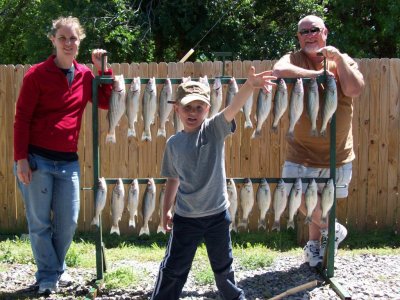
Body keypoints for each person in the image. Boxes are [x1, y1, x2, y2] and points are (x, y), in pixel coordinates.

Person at [151, 68, 276, 300]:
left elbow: (234, 107)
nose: (193, 112)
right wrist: (166, 209)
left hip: (218, 216)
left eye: (199, 107)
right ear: (176, 109)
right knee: (174, 269)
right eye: (187, 107)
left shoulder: (214, 129)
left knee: (223, 269)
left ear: (207, 109)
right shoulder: (173, 144)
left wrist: (249, 86)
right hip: (186, 219)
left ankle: (235, 298)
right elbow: (172, 179)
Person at [13, 16, 113, 295]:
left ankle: (54, 270)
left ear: (79, 42)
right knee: (40, 222)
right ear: (53, 41)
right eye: (63, 38)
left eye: (73, 39)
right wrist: (21, 158)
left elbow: (105, 101)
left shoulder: (84, 75)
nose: (68, 43)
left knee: (68, 222)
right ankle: (49, 275)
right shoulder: (36, 75)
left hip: (68, 162)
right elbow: (21, 119)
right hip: (36, 160)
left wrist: (102, 68)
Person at [273, 15, 364, 267]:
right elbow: (278, 70)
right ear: (298, 37)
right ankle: (331, 228)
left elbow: (355, 89)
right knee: (293, 192)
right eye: (304, 32)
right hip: (300, 152)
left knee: (320, 203)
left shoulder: (341, 60)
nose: (309, 35)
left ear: (325, 31)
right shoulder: (293, 59)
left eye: (314, 30)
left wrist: (337, 61)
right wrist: (315, 76)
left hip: (338, 154)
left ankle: (315, 248)